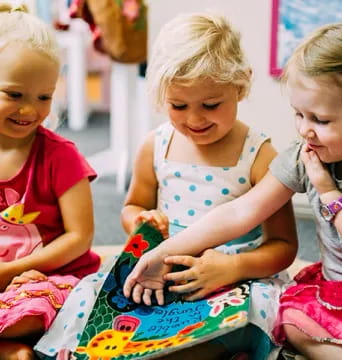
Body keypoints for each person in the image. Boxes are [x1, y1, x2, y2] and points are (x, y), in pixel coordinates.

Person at [124, 22, 342, 359]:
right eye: (299, 114)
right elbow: (240, 211)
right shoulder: (304, 154)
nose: (305, 131)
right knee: (293, 325)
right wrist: (164, 251)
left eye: (321, 120)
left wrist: (328, 191)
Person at [36, 12, 298, 360]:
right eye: (178, 105)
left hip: (232, 275)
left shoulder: (260, 155)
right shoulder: (156, 145)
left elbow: (283, 246)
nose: (194, 119)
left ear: (241, 84)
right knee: (92, 304)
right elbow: (133, 208)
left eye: (211, 104)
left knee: (238, 323)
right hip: (161, 272)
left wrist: (233, 268)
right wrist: (142, 222)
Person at [0, 3, 100, 360]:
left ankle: (15, 342)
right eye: (14, 95)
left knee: (30, 315)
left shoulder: (61, 156)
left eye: (44, 97)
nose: (30, 110)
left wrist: (14, 271)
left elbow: (80, 237)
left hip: (48, 276)